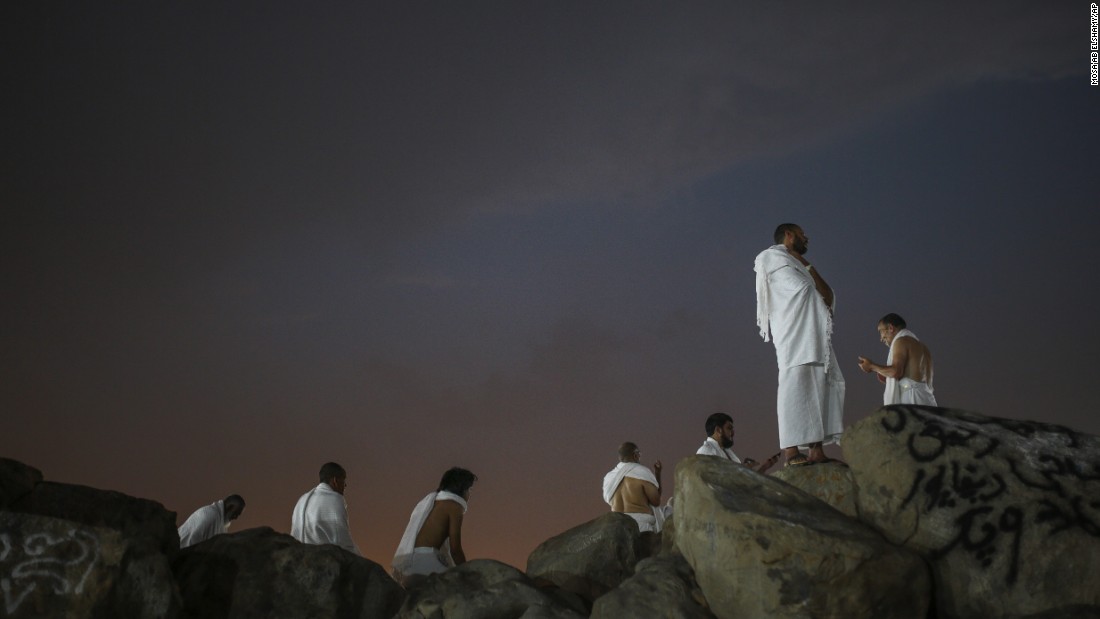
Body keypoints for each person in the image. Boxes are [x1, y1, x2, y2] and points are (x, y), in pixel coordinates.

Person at [755, 223, 845, 466]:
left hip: (815, 335)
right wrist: (813, 291)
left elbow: (828, 297)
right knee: (794, 386)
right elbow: (798, 290)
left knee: (819, 386)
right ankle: (791, 451)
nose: (807, 238)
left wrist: (808, 266)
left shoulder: (799, 264)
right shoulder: (770, 257)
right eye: (803, 234)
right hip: (793, 334)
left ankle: (817, 451)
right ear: (789, 234)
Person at [392, 467, 477, 587]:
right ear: (461, 489)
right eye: (469, 489)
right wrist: (467, 572)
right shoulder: (455, 507)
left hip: (412, 563)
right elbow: (455, 549)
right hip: (427, 563)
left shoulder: (433, 502)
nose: (469, 494)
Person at [858, 313, 937, 405]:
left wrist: (871, 366)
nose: (881, 338)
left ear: (891, 328)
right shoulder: (923, 347)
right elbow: (914, 376)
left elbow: (895, 372)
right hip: (928, 399)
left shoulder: (901, 341)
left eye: (881, 331)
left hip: (911, 398)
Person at [291, 462, 361, 555]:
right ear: (335, 480)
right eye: (343, 481)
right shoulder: (335, 499)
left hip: (296, 556)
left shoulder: (302, 499)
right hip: (319, 560)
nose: (345, 486)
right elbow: (344, 543)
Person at [602, 442, 664, 533]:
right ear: (635, 455)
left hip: (617, 527)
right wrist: (657, 474)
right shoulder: (642, 472)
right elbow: (656, 501)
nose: (640, 456)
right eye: (639, 454)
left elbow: (608, 500)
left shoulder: (609, 477)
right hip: (640, 526)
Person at [697, 412, 780, 473]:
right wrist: (742, 468)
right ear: (718, 430)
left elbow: (742, 485)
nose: (733, 433)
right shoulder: (706, 451)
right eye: (729, 428)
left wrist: (764, 467)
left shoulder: (729, 453)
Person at [177, 494, 245, 548]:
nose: (236, 518)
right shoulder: (211, 515)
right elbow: (192, 543)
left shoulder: (221, 522)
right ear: (230, 507)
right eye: (236, 513)